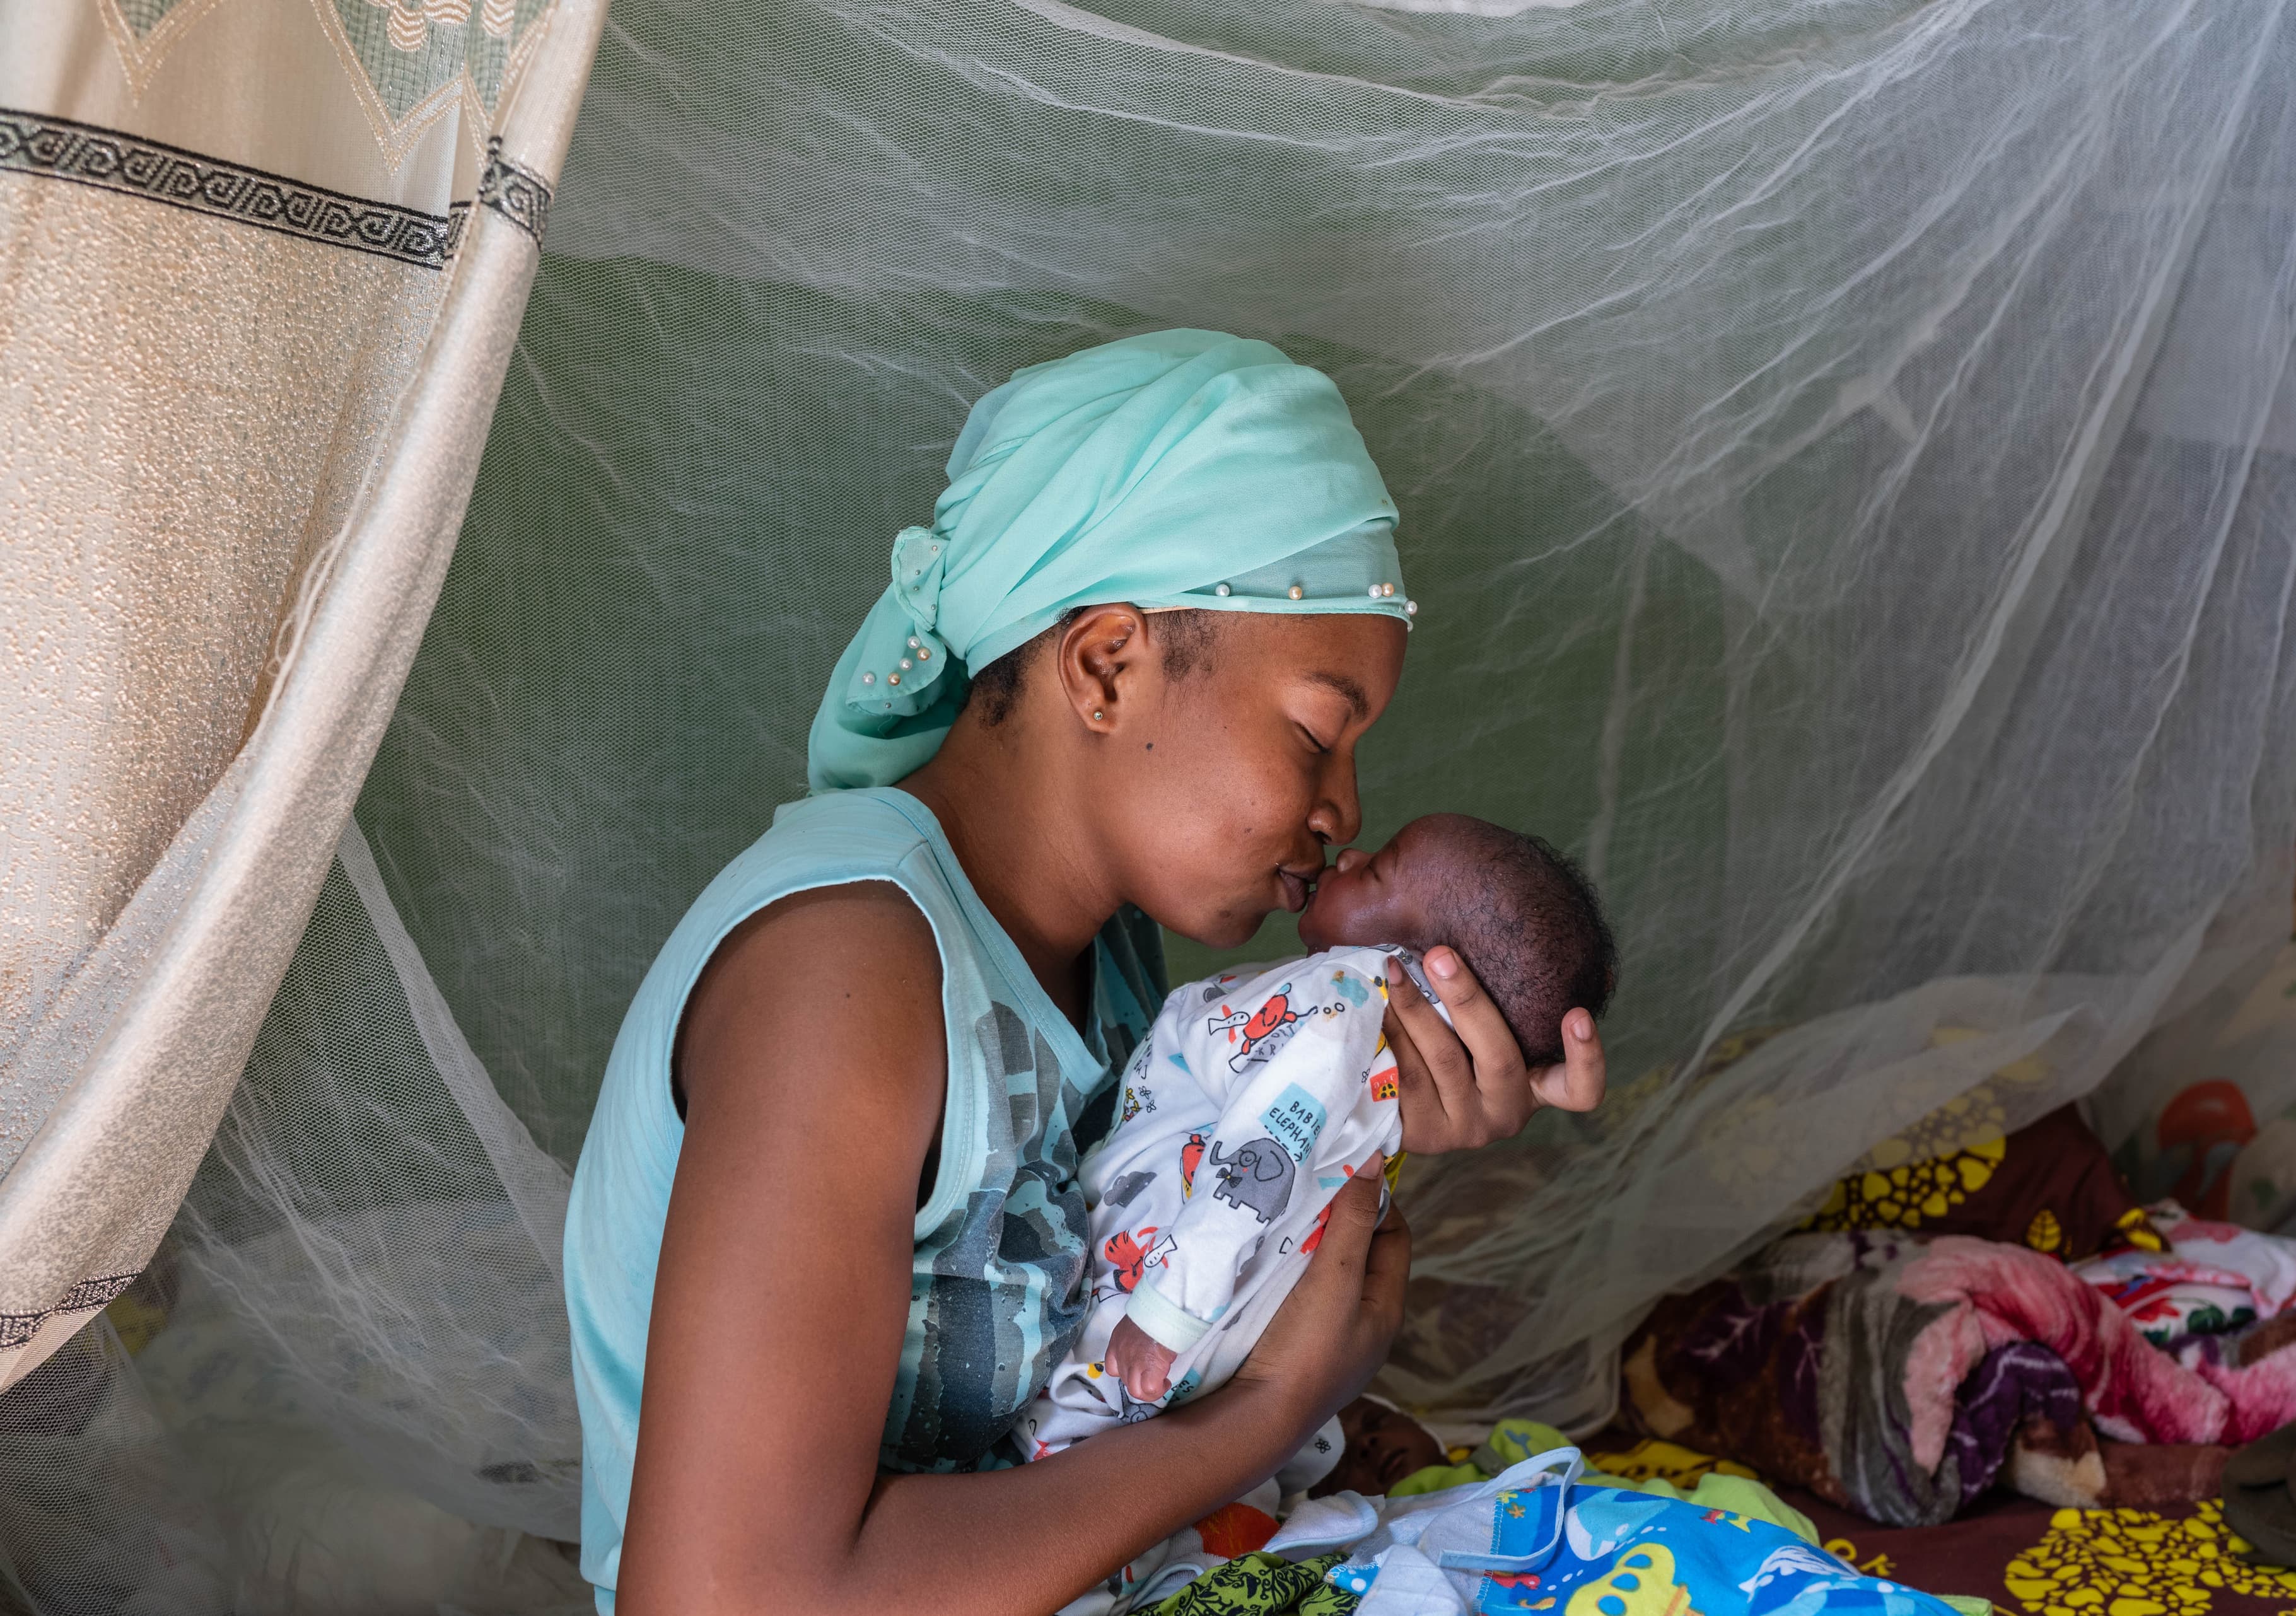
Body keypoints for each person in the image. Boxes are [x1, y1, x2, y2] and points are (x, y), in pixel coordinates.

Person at [562, 330, 1610, 1616]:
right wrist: (1269, 1415)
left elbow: (1112, 1341)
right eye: (1319, 735)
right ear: (1106, 666)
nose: (1343, 808)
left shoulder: (1104, 963)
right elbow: (724, 1596)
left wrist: (1367, 1120)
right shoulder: (851, 970)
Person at [1017, 813, 1617, 1463]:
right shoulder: (1373, 1066)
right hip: (1193, 1348)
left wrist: (1166, 1314)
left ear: (1427, 969)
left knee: (1047, 1444)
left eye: (1380, 868)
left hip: (1143, 1308)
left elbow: (1256, 1166)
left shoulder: (1341, 1006)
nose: (1350, 855)